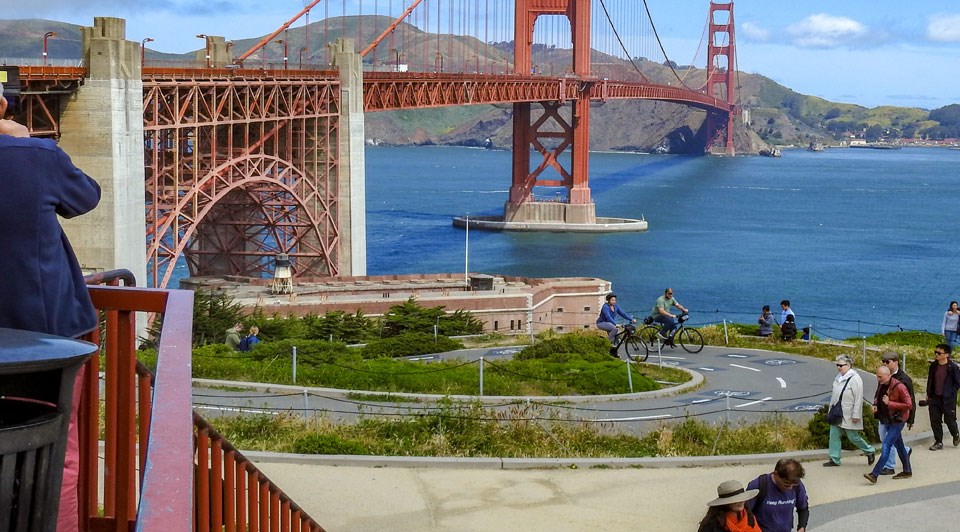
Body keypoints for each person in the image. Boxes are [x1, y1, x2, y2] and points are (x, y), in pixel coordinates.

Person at [0, 80, 102, 531]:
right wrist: (24, 144)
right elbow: (86, 197)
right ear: (3, 105)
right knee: (59, 452)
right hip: (45, 338)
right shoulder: (36, 157)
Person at [864, 364, 913, 483]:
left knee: (886, 446)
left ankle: (874, 474)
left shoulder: (900, 386)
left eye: (880, 377)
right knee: (899, 446)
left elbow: (909, 405)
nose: (878, 379)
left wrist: (890, 403)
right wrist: (875, 405)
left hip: (897, 420)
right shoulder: (882, 384)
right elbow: (877, 396)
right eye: (877, 376)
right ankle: (907, 470)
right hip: (887, 419)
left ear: (889, 375)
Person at [824, 354, 876, 467]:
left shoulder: (855, 378)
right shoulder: (838, 377)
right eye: (837, 365)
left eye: (841, 365)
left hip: (849, 412)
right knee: (834, 435)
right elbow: (834, 396)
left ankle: (869, 450)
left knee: (853, 436)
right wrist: (830, 410)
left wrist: (856, 414)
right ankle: (834, 458)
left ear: (848, 365)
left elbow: (858, 398)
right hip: (837, 412)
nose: (838, 367)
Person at [746, 459, 809, 532]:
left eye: (793, 485)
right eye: (786, 484)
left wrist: (802, 527)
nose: (790, 488)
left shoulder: (796, 485)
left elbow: (803, 508)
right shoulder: (758, 485)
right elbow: (744, 514)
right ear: (776, 474)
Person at [878, 351, 915, 474]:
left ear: (895, 362)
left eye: (887, 362)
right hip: (884, 414)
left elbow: (910, 401)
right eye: (883, 362)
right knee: (887, 438)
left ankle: (888, 467)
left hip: (896, 417)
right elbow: (878, 392)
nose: (885, 364)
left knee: (887, 442)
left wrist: (911, 419)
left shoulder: (904, 379)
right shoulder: (883, 375)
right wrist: (875, 404)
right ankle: (906, 453)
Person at [921, 343, 960, 450]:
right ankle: (938, 442)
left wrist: (951, 393)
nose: (936, 355)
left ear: (946, 355)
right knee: (935, 420)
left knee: (949, 420)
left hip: (948, 399)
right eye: (935, 352)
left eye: (939, 353)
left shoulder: (953, 367)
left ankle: (955, 434)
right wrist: (928, 394)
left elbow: (957, 383)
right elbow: (930, 380)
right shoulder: (933, 366)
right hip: (935, 398)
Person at [697, 480, 762, 532]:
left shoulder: (749, 518)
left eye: (742, 498)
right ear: (725, 503)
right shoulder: (712, 525)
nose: (741, 501)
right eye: (736, 499)